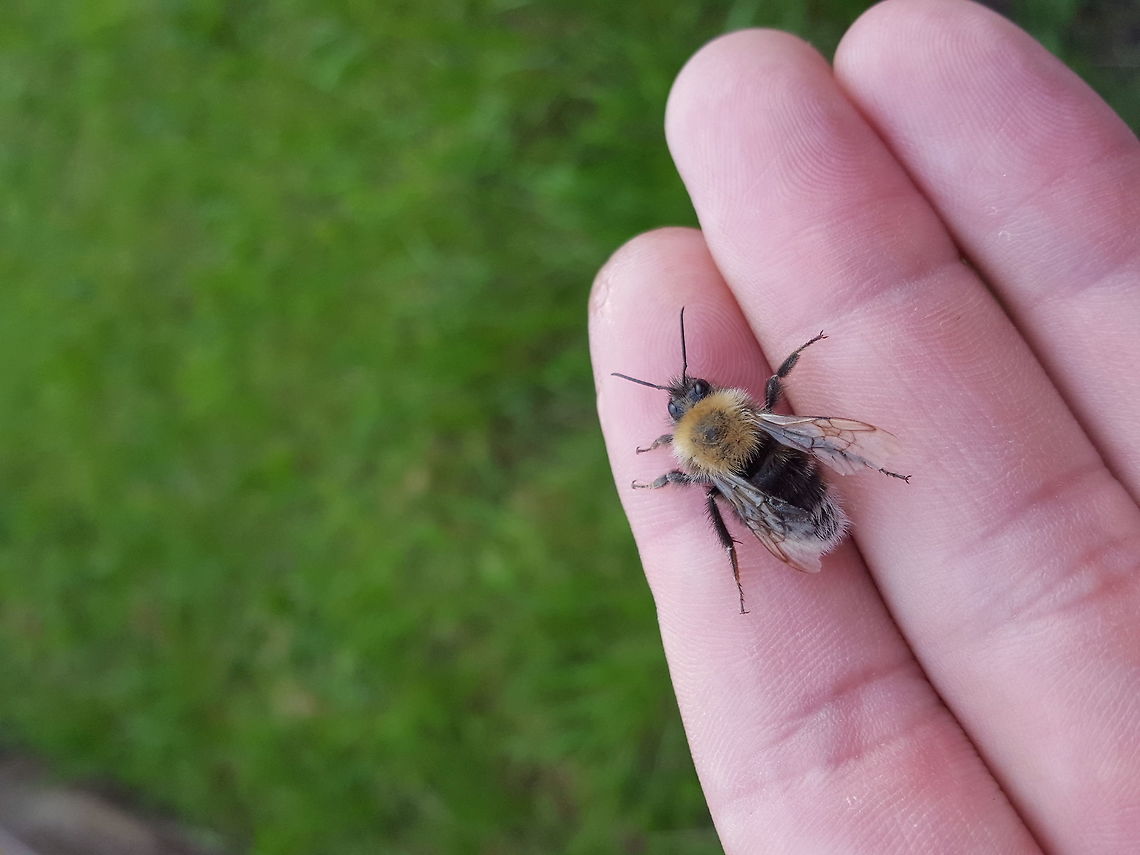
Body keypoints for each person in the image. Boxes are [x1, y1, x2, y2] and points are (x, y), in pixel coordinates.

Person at [588, 0, 1140, 852]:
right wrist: (826, 420)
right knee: (793, 443)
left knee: (723, 493)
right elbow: (805, 421)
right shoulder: (741, 406)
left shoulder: (705, 445)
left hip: (783, 508)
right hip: (797, 487)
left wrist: (685, 479)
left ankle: (751, 544)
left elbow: (723, 478)